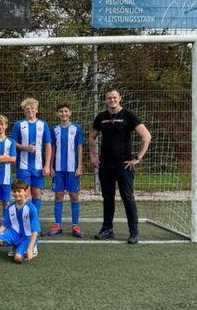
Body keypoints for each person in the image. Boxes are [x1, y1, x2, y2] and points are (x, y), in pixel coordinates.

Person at [89, 89, 152, 244]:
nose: (112, 100)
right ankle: (107, 229)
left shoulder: (128, 115)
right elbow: (92, 137)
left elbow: (146, 136)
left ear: (120, 99)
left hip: (124, 165)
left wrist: (138, 158)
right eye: (109, 98)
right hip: (105, 165)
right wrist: (93, 156)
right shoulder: (101, 117)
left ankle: (134, 232)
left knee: (127, 197)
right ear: (105, 100)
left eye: (114, 97)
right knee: (107, 198)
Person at [48, 104, 85, 238]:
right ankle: (58, 225)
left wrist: (79, 166)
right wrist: (50, 166)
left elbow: (79, 147)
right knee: (58, 196)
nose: (63, 113)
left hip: (72, 168)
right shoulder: (54, 129)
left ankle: (75, 226)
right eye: (61, 111)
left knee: (74, 196)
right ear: (58, 114)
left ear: (70, 113)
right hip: (58, 169)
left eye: (66, 111)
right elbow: (52, 148)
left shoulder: (76, 128)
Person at [12, 98, 53, 219]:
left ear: (37, 110)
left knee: (37, 193)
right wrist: (25, 148)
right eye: (27, 109)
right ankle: (24, 220)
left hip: (38, 166)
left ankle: (35, 220)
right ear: (24, 111)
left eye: (32, 108)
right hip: (23, 165)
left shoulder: (43, 125)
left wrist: (47, 165)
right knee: (25, 194)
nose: (30, 111)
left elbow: (48, 145)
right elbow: (13, 143)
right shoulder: (19, 125)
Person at [0, 179, 40, 263]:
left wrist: (30, 248)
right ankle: (17, 246)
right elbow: (5, 225)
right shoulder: (10, 207)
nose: (16, 194)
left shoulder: (31, 208)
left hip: (28, 236)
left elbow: (35, 231)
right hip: (15, 234)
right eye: (14, 191)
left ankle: (33, 249)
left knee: (18, 258)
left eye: (19, 191)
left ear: (26, 192)